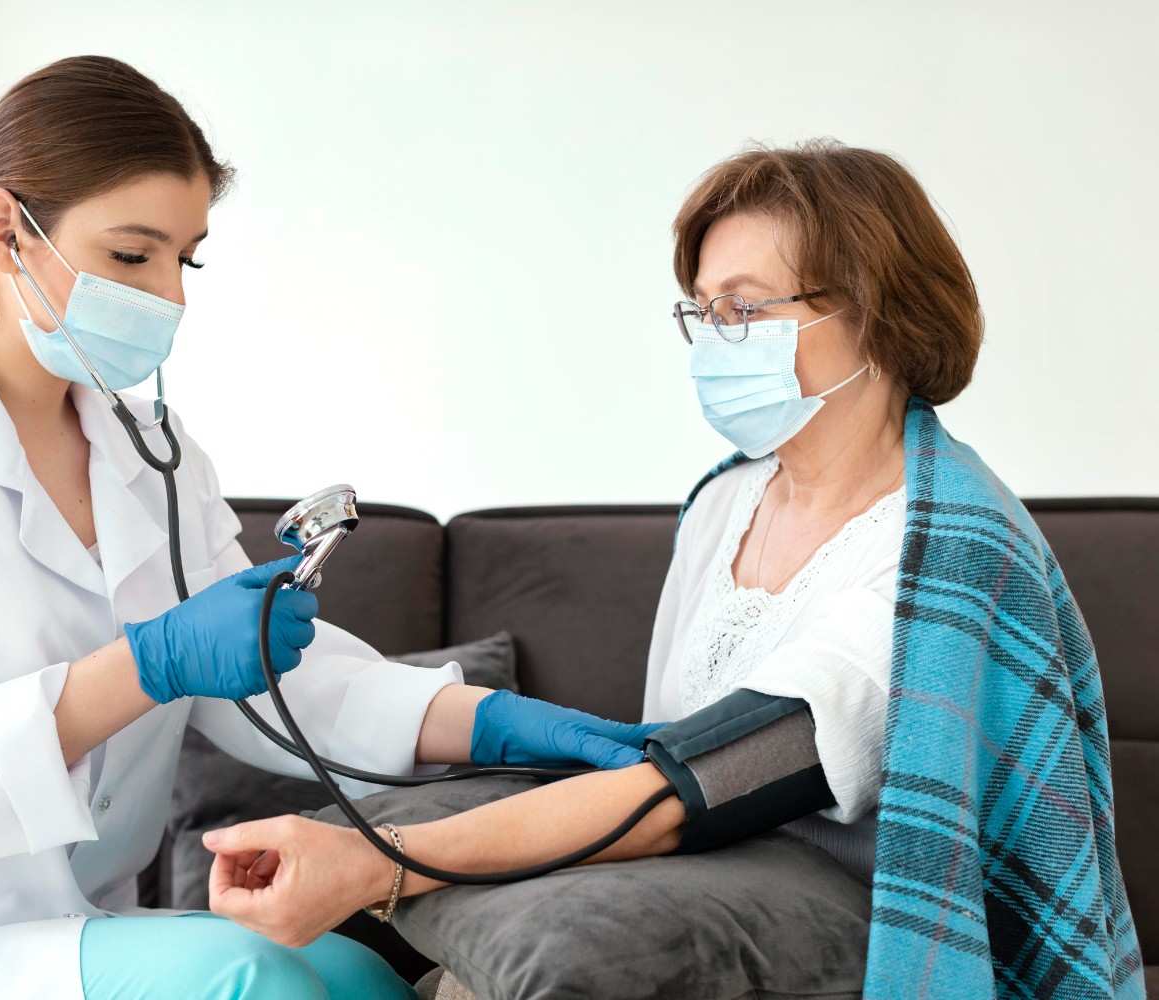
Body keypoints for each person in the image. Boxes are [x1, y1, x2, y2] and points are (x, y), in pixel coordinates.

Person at [0, 56, 657, 1000]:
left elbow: (270, 681)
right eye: (130, 254)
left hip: (70, 931)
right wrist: (148, 663)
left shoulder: (147, 448)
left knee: (358, 976)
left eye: (183, 258)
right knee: (240, 977)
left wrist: (488, 722)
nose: (170, 295)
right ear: (4, 231)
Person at [202, 141, 1142, 998]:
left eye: (743, 309)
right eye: (701, 312)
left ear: (874, 310)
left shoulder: (939, 557)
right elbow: (669, 757)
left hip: (866, 915)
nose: (712, 343)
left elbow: (704, 783)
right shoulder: (726, 502)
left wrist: (383, 863)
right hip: (707, 871)